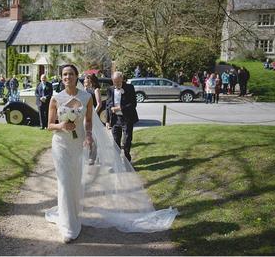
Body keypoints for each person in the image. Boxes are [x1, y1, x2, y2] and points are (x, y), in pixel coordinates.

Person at [45, 64, 177, 243]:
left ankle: (73, 214)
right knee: (65, 182)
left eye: (71, 74)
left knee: (75, 182)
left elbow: (89, 120)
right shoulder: (55, 98)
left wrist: (89, 136)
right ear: (62, 78)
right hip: (61, 145)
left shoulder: (86, 97)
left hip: (77, 145)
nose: (67, 77)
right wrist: (61, 125)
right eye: (64, 75)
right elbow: (49, 125)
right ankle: (68, 227)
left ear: (77, 76)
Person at [106, 71, 139, 162]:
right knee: (115, 142)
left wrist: (120, 108)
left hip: (127, 119)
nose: (116, 84)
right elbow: (108, 105)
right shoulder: (110, 89)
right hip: (115, 119)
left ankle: (127, 160)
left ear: (122, 79)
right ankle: (117, 163)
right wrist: (107, 121)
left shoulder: (129, 87)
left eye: (118, 82)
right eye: (114, 82)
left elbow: (133, 104)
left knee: (126, 141)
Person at [83, 74, 102, 165]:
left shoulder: (96, 90)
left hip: (93, 116)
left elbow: (99, 104)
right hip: (84, 116)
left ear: (91, 80)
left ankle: (93, 156)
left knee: (94, 137)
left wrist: (92, 113)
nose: (84, 81)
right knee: (86, 136)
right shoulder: (84, 90)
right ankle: (87, 155)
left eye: (86, 80)